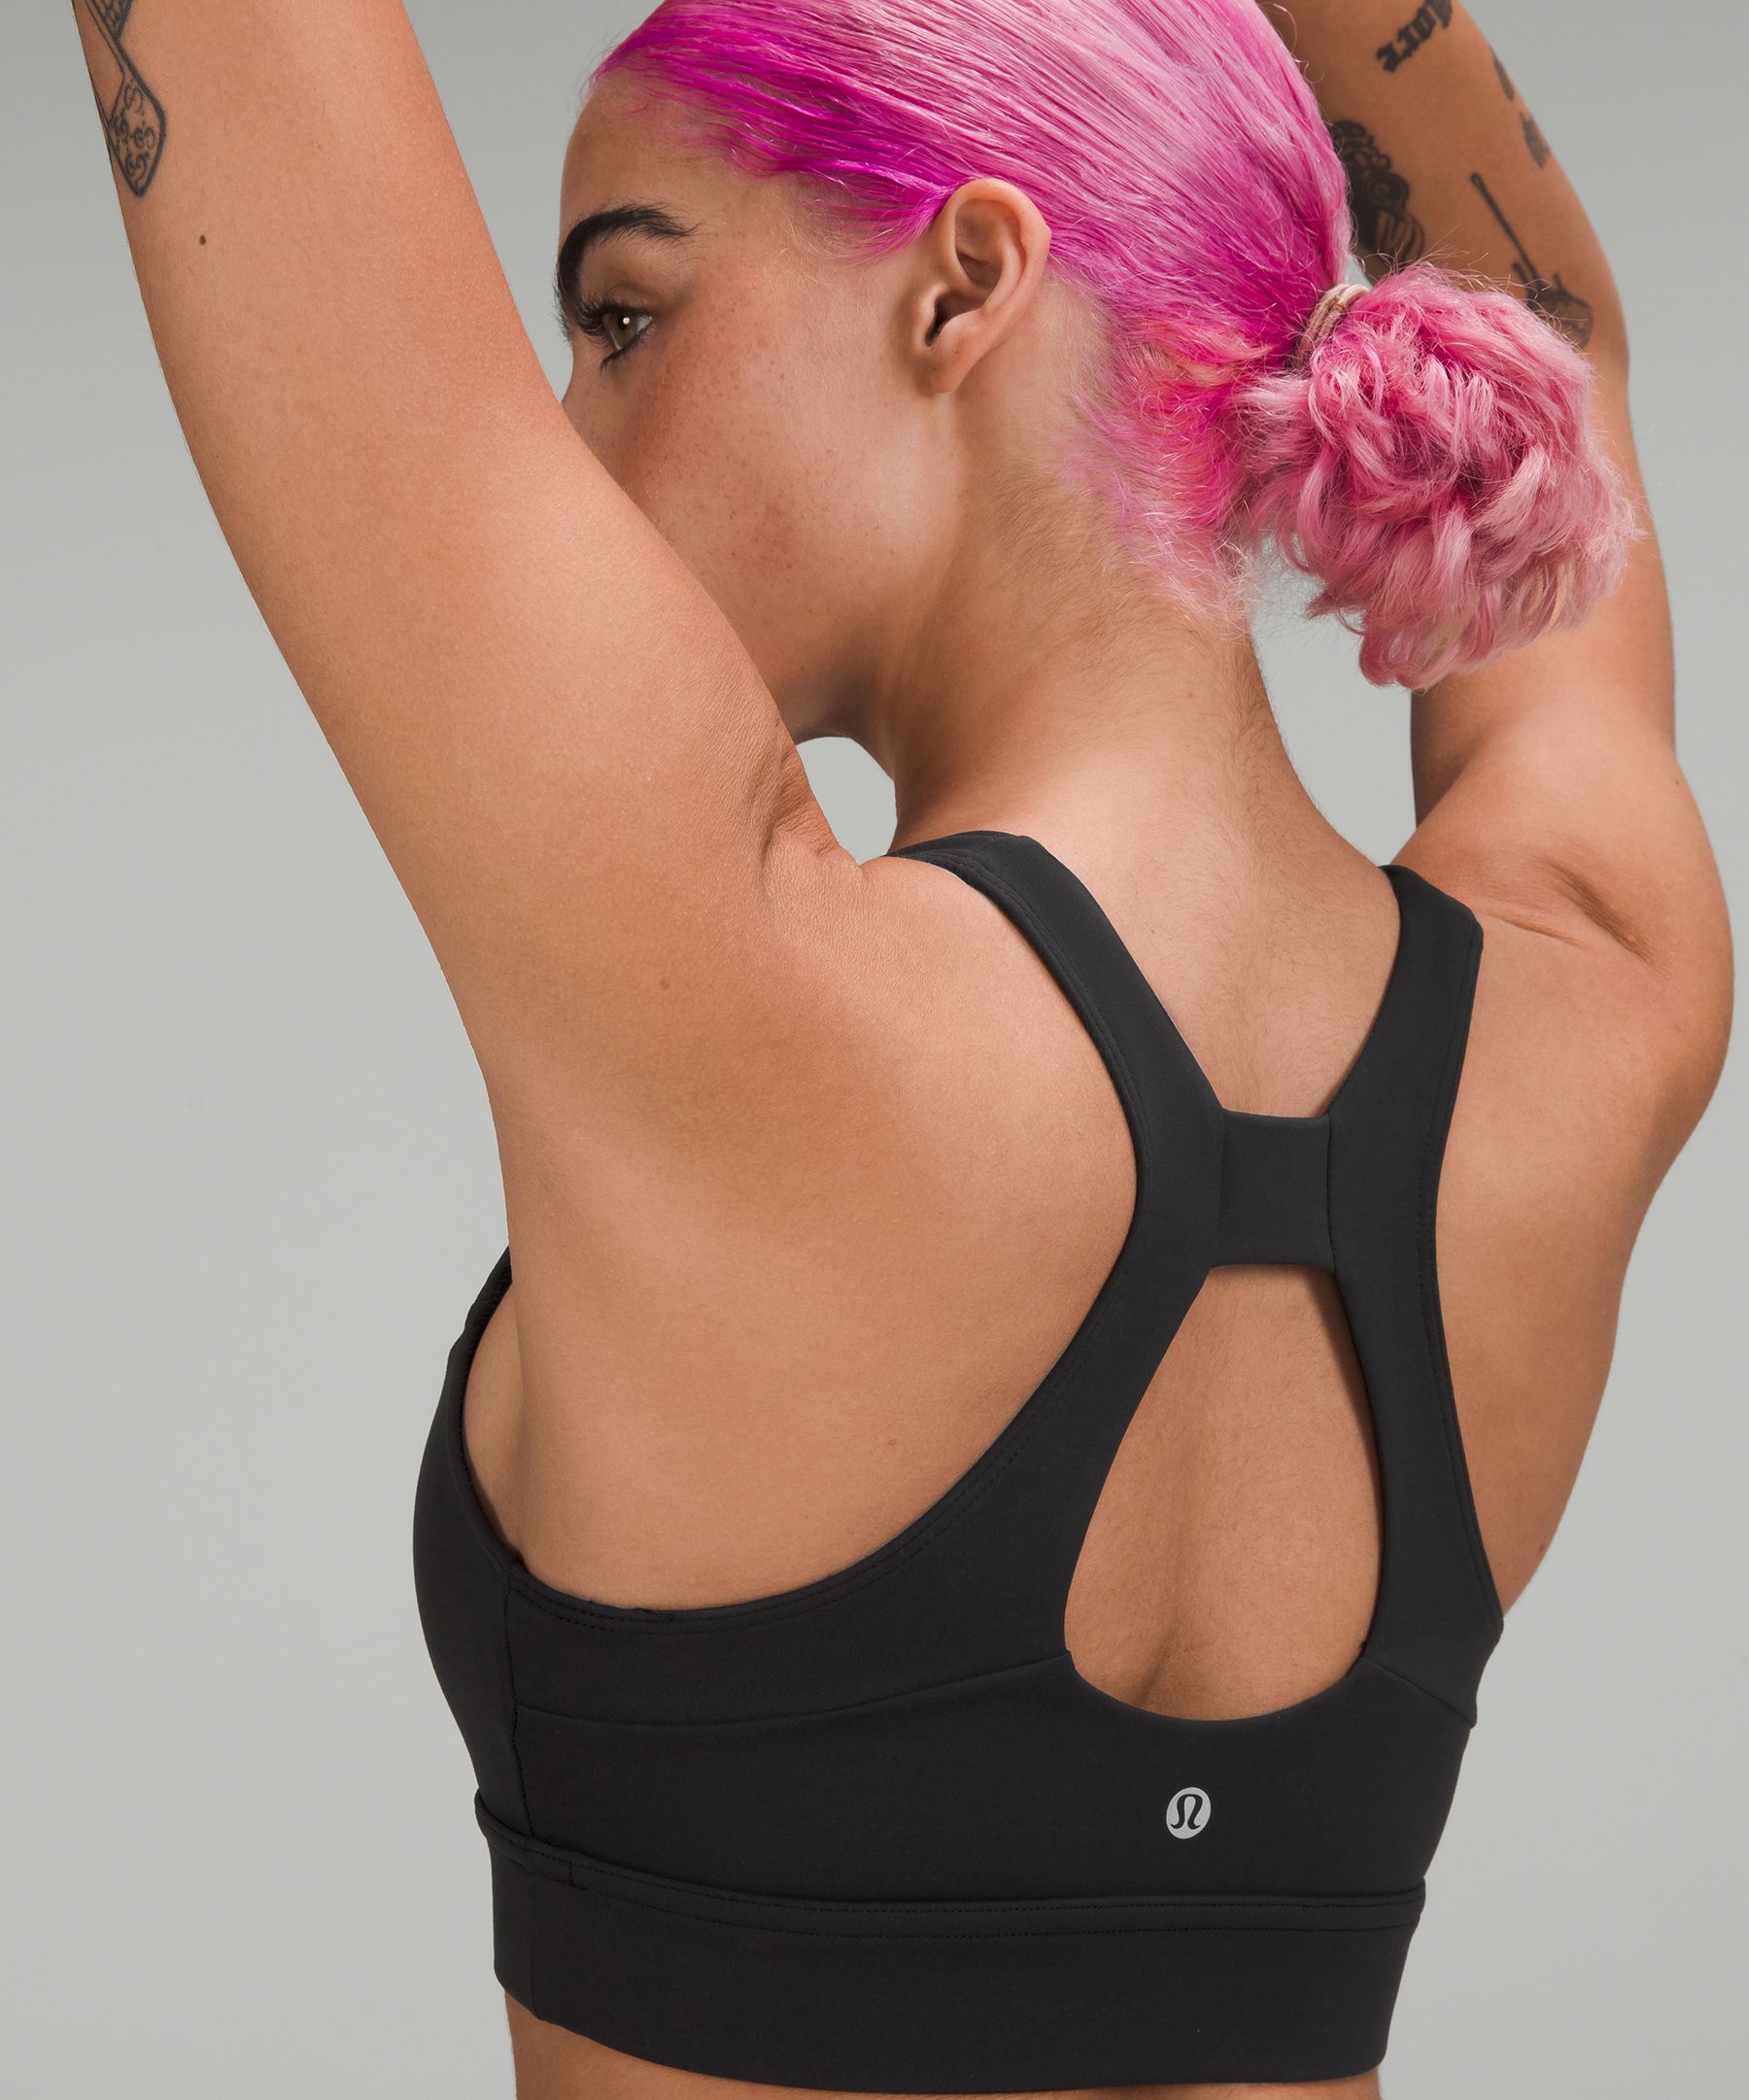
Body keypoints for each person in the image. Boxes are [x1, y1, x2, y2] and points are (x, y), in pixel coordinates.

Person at [69, 1, 1731, 2096]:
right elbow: (1543, 299)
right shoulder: (1595, 1001)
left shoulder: (735, 983)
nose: (572, 440)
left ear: (963, 289)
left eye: (625, 316)